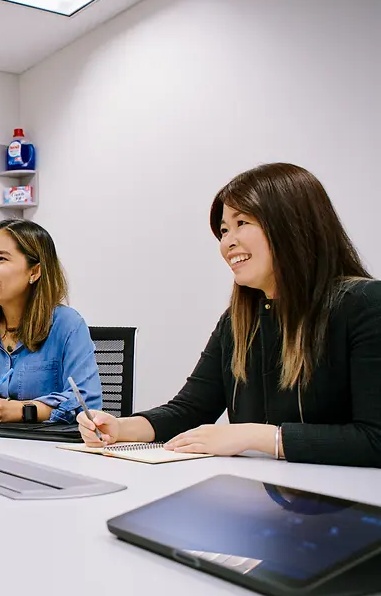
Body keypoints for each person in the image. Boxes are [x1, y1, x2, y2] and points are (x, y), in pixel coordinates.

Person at [78, 163, 381, 468]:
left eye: (242, 223)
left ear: (292, 224)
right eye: (224, 230)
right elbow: (190, 410)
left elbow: (374, 439)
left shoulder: (364, 304)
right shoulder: (237, 320)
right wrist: (119, 428)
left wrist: (256, 436)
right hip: (259, 493)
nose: (228, 242)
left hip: (340, 504)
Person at [0, 219, 102, 424]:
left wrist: (20, 410)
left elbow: (86, 402)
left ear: (34, 272)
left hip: (47, 449)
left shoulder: (68, 325)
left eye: (0, 259)